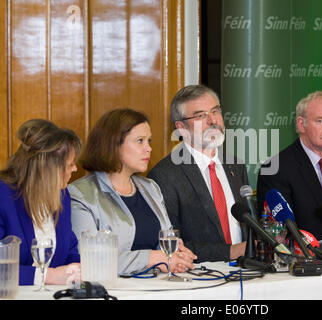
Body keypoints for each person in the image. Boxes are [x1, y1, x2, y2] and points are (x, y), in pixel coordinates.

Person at [68, 109, 196, 276]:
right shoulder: (80, 194)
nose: (148, 148)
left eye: (148, 141)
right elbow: (89, 260)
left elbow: (166, 242)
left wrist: (177, 254)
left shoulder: (151, 188)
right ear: (113, 144)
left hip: (155, 286)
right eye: (140, 141)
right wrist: (152, 258)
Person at [148, 85, 248, 262]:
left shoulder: (235, 165)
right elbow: (172, 243)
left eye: (215, 111)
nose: (213, 121)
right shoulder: (165, 175)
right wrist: (232, 252)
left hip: (246, 273)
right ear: (181, 127)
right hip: (200, 279)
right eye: (201, 115)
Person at [257, 91, 322, 242]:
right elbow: (282, 234)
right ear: (301, 124)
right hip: (304, 261)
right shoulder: (275, 168)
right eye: (320, 121)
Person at [0, 119, 82, 285]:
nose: (75, 169)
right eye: (70, 164)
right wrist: (47, 276)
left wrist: (77, 267)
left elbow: (70, 249)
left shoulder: (62, 195)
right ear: (46, 168)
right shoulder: (3, 195)